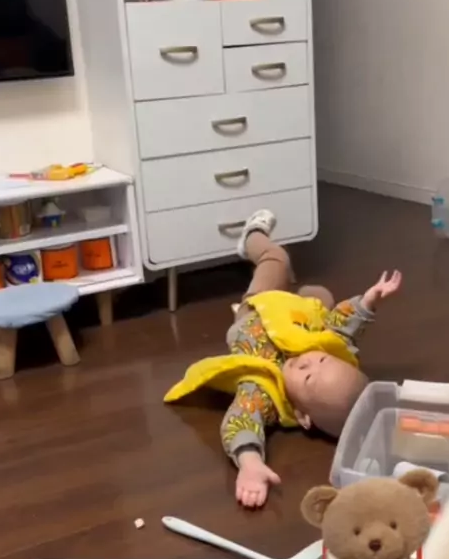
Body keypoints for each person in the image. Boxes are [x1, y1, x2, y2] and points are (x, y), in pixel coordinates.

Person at [164, 210, 402, 508]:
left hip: (260, 309)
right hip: (298, 314)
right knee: (319, 296)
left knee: (277, 258)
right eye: (321, 360)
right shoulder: (325, 349)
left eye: (307, 377)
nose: (306, 362)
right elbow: (342, 330)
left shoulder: (263, 394)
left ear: (302, 416)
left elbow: (241, 421)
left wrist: (250, 463)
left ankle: (252, 235)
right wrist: (369, 301)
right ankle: (302, 294)